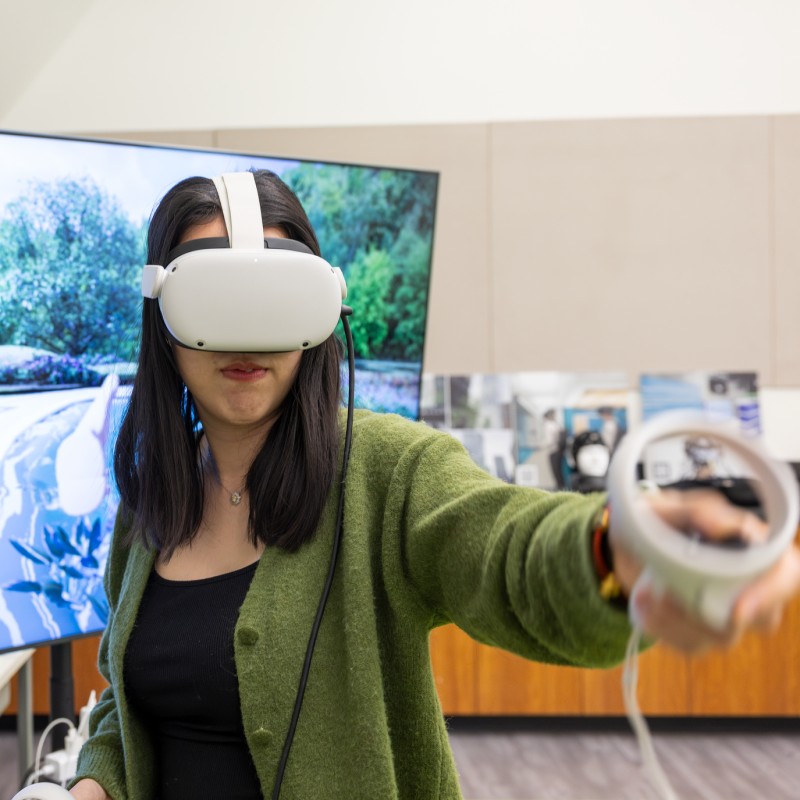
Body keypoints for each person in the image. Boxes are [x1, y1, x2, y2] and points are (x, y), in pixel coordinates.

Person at [68, 170, 800, 800]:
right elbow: (126, 706)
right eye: (215, 303)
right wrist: (92, 783)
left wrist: (613, 548)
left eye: (274, 301)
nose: (247, 338)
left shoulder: (386, 472)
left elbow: (506, 548)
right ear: (162, 315)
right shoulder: (150, 504)